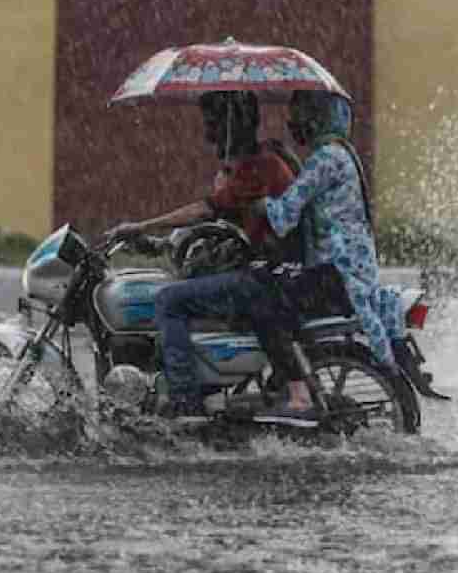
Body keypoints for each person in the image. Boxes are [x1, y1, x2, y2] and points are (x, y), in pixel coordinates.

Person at [105, 90, 314, 420]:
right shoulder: (257, 161)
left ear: (233, 123)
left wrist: (142, 226)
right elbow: (220, 223)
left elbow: (206, 210)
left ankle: (184, 401)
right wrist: (160, 244)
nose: (208, 131)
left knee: (169, 301)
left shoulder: (258, 166)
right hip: (270, 272)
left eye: (213, 122)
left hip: (268, 278)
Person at [254, 89, 406, 395]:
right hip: (350, 273)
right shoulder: (341, 153)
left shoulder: (325, 158)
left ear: (317, 119)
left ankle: (297, 389)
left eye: (298, 117)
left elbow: (284, 217)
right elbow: (310, 189)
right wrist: (285, 156)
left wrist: (259, 204)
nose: (293, 124)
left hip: (336, 276)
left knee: (262, 304)